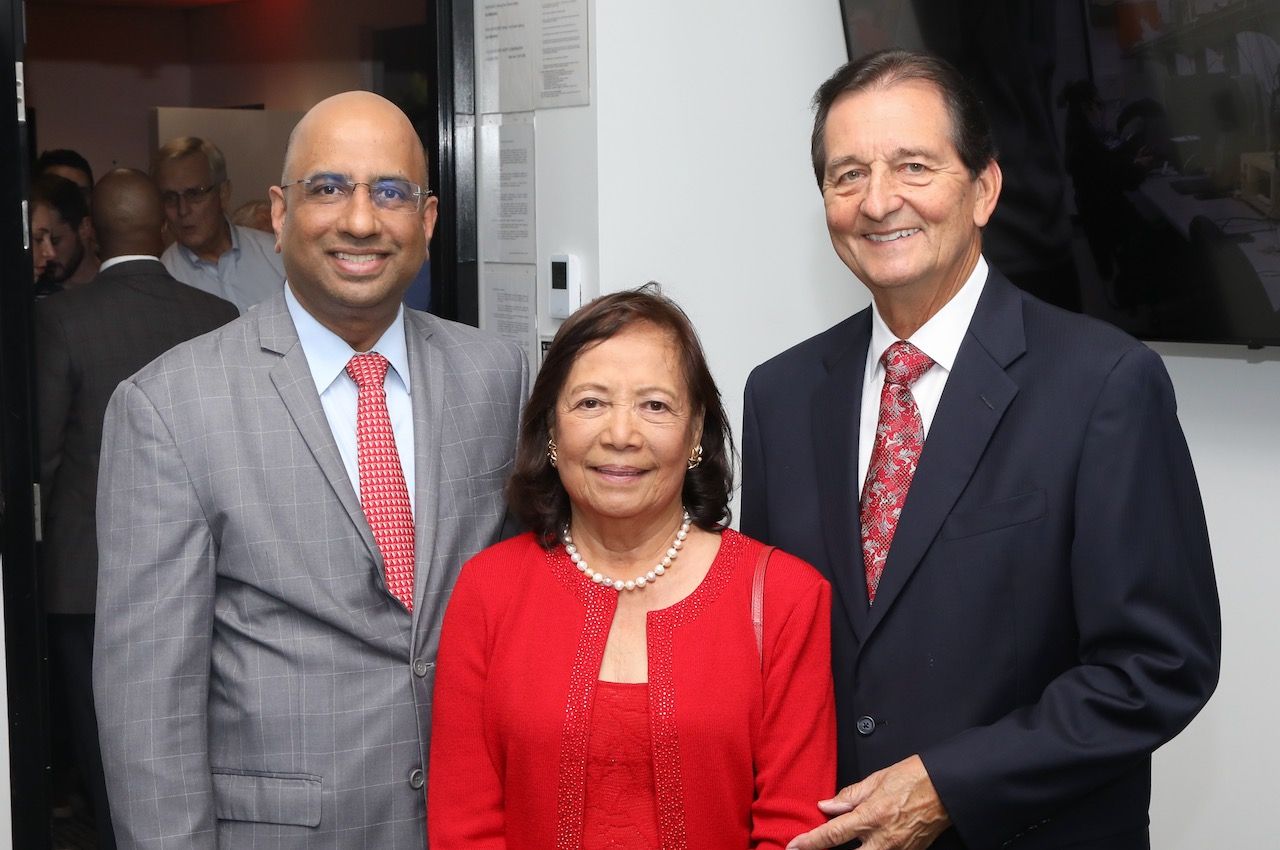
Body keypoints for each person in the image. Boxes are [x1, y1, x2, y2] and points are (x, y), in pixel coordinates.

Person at [740, 50, 1220, 850]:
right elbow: (772, 646)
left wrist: (948, 786)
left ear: (985, 188)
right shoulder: (780, 395)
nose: (878, 201)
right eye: (846, 174)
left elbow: (1157, 667)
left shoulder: (1103, 384)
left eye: (913, 166)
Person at [94, 91, 527, 848]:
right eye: (328, 189)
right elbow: (148, 714)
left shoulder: (495, 376)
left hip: (473, 824)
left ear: (425, 222)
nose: (360, 220)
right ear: (279, 211)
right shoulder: (167, 407)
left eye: (389, 192)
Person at [428, 286, 836, 849]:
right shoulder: (487, 591)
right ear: (551, 429)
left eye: (655, 406)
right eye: (591, 403)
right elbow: (464, 825)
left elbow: (794, 832)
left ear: (695, 433)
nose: (621, 435)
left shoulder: (787, 597)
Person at [37, 168, 239, 850]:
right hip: (213, 564)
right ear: (162, 229)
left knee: (105, 747)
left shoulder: (61, 317)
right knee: (196, 733)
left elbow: (43, 453)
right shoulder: (217, 317)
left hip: (85, 572)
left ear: (90, 233)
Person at [153, 136, 286, 311]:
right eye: (170, 198)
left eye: (194, 194)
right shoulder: (163, 279)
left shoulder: (276, 255)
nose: (182, 210)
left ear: (223, 193)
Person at [30, 173, 100, 296]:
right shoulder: (26, 294)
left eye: (55, 240)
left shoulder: (118, 286)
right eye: (39, 239)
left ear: (85, 227)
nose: (50, 253)